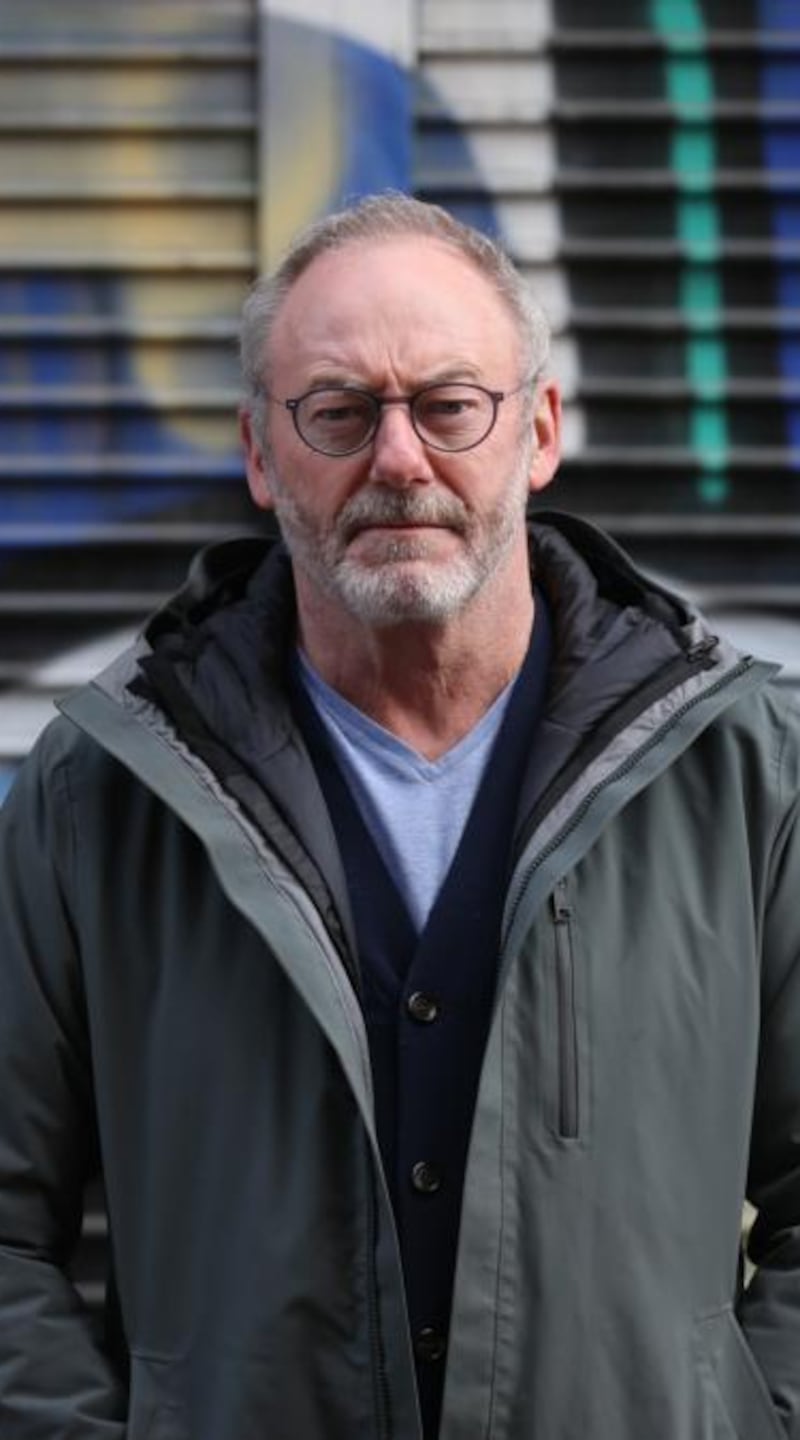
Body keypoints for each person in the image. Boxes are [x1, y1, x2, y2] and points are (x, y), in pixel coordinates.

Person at [0, 193, 798, 1440]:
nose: (397, 460)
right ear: (261, 454)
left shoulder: (748, 777)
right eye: (337, 412)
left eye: (446, 404)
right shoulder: (97, 795)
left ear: (535, 431)